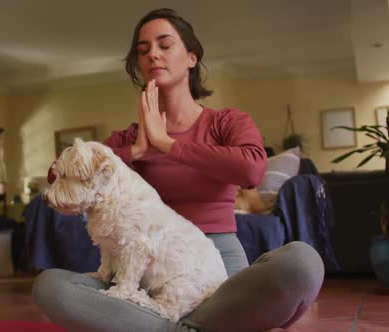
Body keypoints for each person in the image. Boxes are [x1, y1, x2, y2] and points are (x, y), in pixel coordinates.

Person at [32, 8, 324, 332]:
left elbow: (252, 170)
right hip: (139, 275)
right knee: (50, 287)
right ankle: (193, 326)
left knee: (302, 263)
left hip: (217, 266)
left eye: (164, 44)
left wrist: (168, 144)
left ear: (191, 57)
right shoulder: (129, 138)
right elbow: (56, 176)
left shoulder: (226, 122)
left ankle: (161, 324)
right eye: (143, 51)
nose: (153, 54)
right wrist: (137, 150)